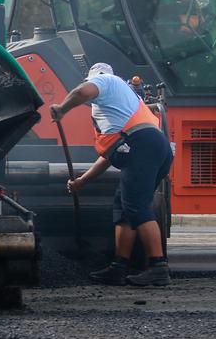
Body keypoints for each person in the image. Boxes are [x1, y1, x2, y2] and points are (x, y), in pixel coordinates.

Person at [52, 62, 174, 287]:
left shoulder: (106, 80)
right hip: (152, 147)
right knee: (124, 207)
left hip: (142, 147)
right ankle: (118, 267)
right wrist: (82, 181)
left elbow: (81, 92)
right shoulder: (118, 107)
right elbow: (108, 156)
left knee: (136, 207)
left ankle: (159, 268)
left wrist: (61, 109)